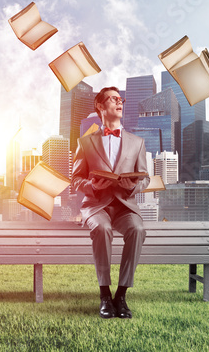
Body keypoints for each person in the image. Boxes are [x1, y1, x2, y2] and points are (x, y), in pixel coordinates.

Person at [71, 86, 150, 319]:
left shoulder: (138, 142)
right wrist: (92, 186)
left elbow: (144, 178)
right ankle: (104, 294)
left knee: (137, 229)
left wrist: (133, 187)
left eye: (121, 99)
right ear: (100, 106)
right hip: (97, 205)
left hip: (125, 205)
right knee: (102, 228)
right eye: (113, 99)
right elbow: (76, 179)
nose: (120, 102)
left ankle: (121, 295)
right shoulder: (85, 143)